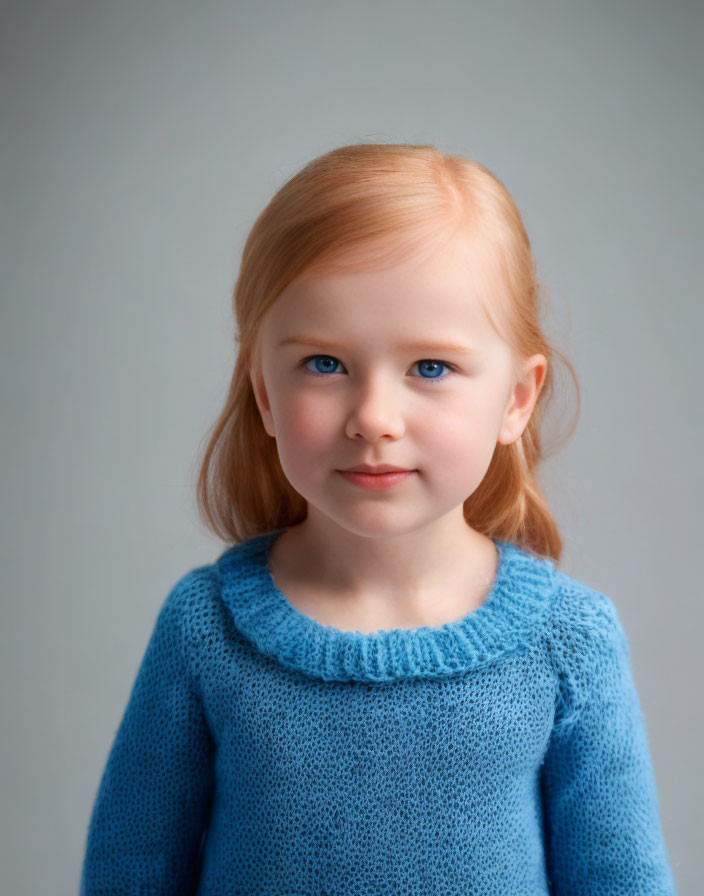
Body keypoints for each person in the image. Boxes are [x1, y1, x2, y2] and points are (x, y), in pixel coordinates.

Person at [79, 143, 677, 895]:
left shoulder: (570, 644)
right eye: (325, 364)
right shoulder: (206, 629)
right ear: (263, 391)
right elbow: (129, 872)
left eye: (430, 368)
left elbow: (621, 882)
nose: (373, 418)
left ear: (516, 399)